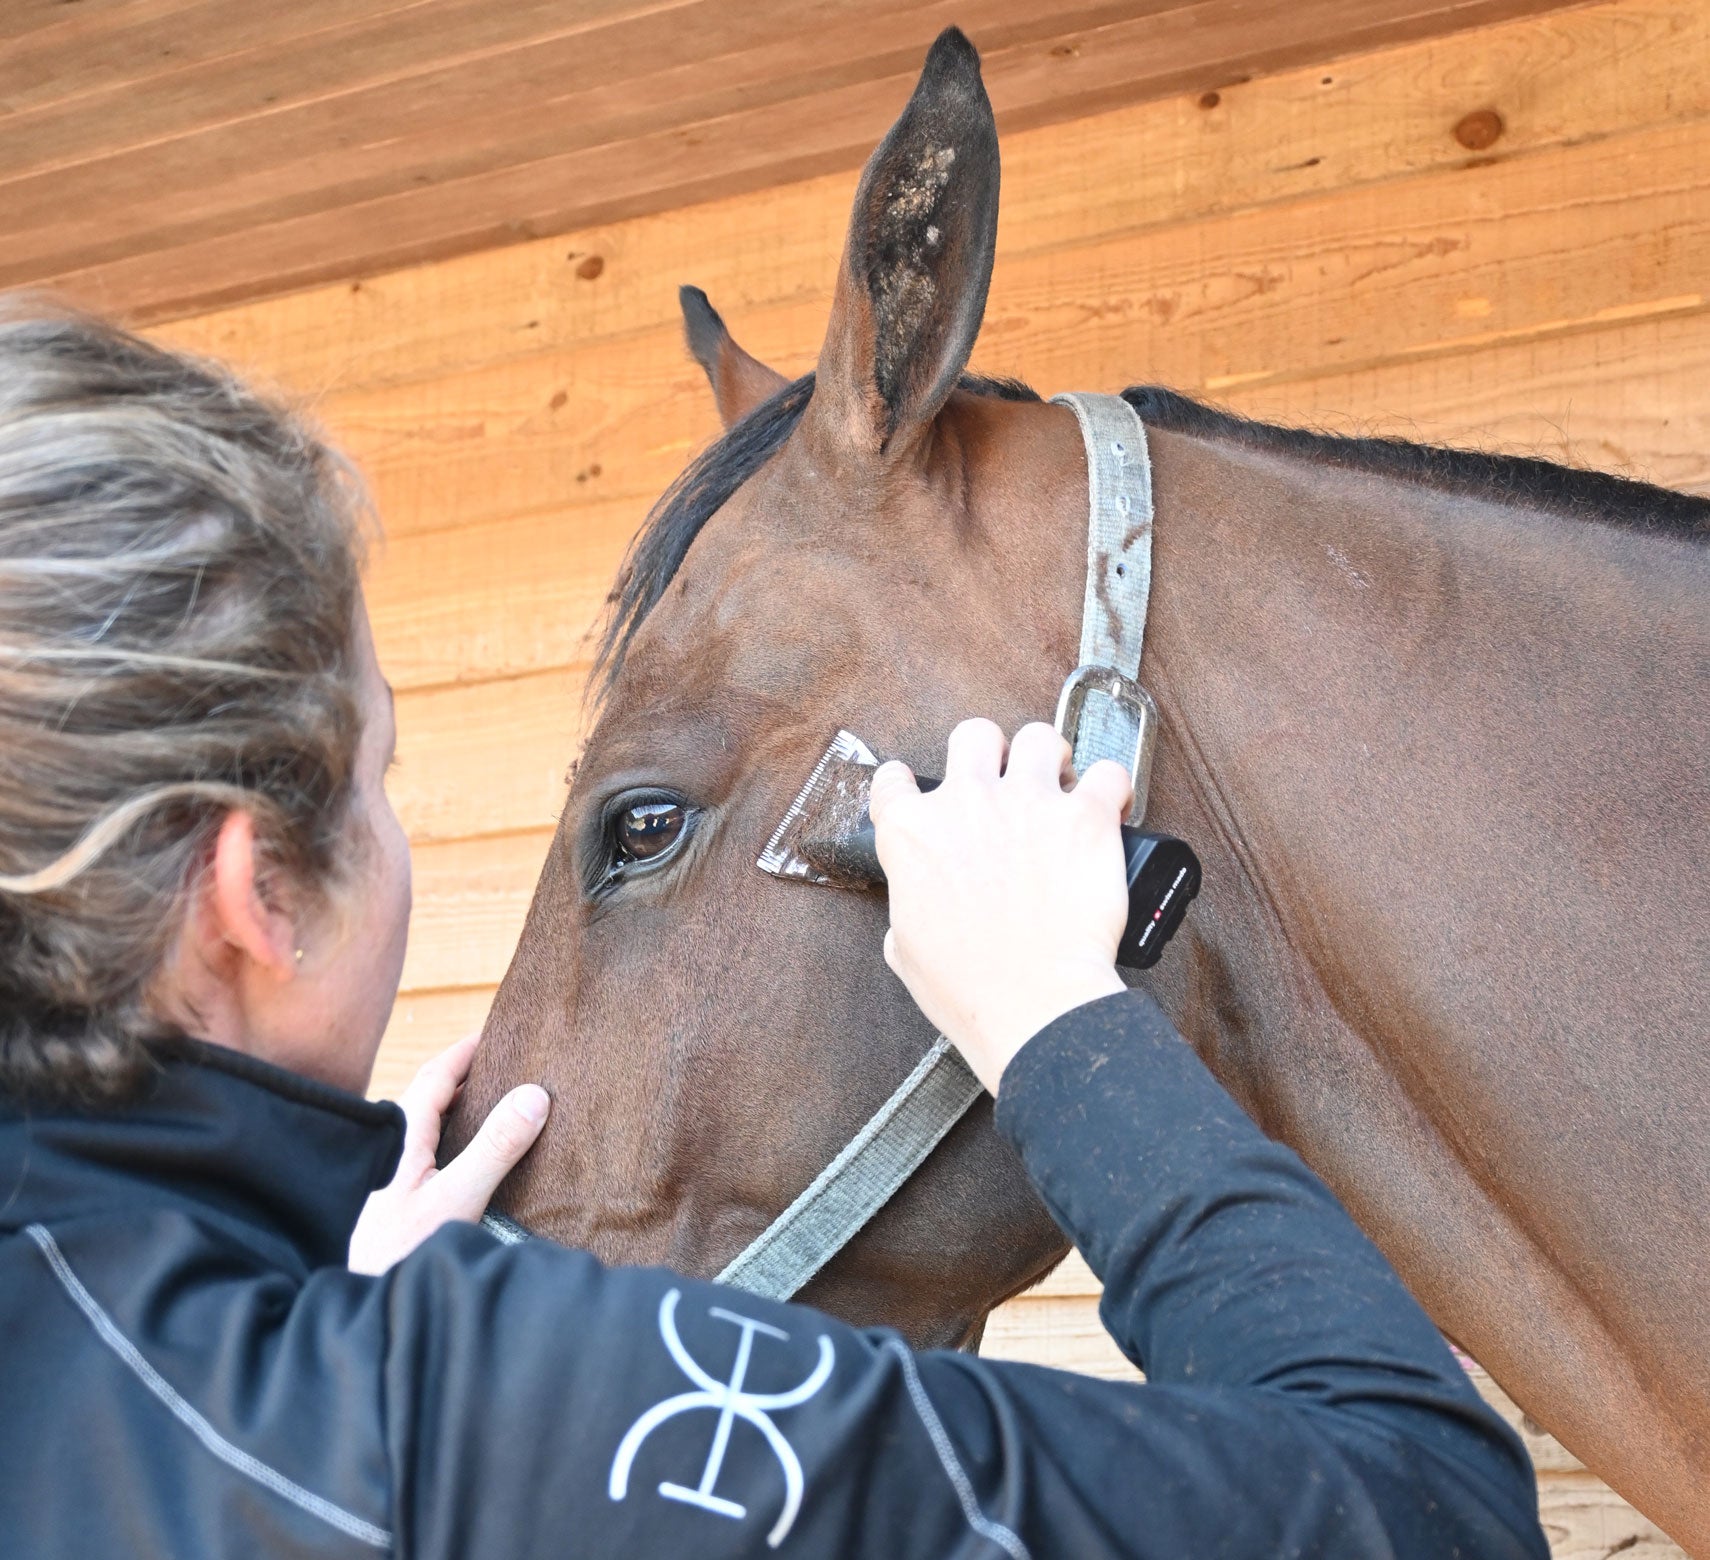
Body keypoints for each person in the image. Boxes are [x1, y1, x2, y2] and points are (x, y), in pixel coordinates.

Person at [0, 303, 1548, 1559]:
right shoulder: (460, 1413)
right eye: (380, 776)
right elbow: (1428, 1519)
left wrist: (305, 1315)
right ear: (253, 890)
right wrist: (1053, 1025)